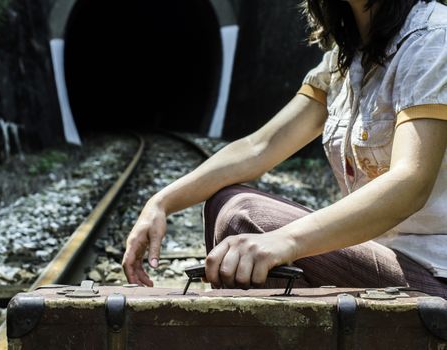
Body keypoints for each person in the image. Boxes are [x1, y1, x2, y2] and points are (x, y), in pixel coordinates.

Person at [123, 0, 447, 297]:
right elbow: (259, 146)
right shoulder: (346, 60)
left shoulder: (434, 39)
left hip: (434, 274)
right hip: (383, 255)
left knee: (244, 218)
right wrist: (161, 203)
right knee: (224, 202)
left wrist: (286, 240)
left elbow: (410, 181)